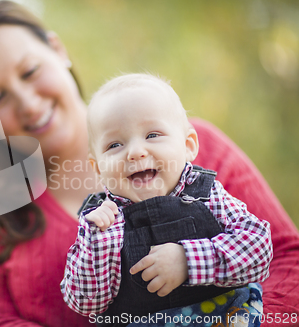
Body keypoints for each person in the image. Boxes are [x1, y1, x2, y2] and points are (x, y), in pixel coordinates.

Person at [0, 0, 299, 327]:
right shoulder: (0, 211)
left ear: (57, 49)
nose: (28, 102)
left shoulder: (193, 148)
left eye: (30, 72)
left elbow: (285, 257)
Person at [60, 73, 272, 326]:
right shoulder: (101, 223)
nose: (136, 152)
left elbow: (259, 250)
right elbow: (85, 303)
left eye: (152, 135)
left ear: (188, 145)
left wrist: (188, 260)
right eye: (115, 145)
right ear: (97, 168)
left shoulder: (208, 195)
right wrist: (96, 243)